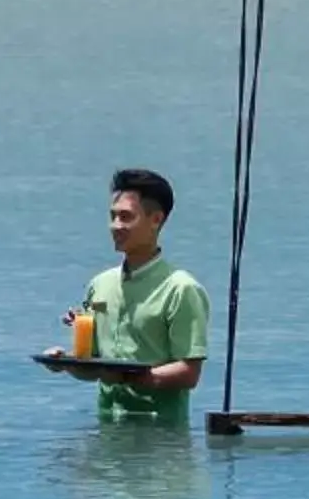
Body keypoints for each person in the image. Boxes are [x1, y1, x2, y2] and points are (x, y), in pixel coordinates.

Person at [59, 168, 208, 426]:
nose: (116, 226)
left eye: (126, 217)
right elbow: (92, 365)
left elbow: (189, 373)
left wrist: (127, 378)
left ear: (156, 220)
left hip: (159, 434)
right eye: (113, 216)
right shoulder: (100, 285)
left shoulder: (181, 288)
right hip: (107, 430)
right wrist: (64, 362)